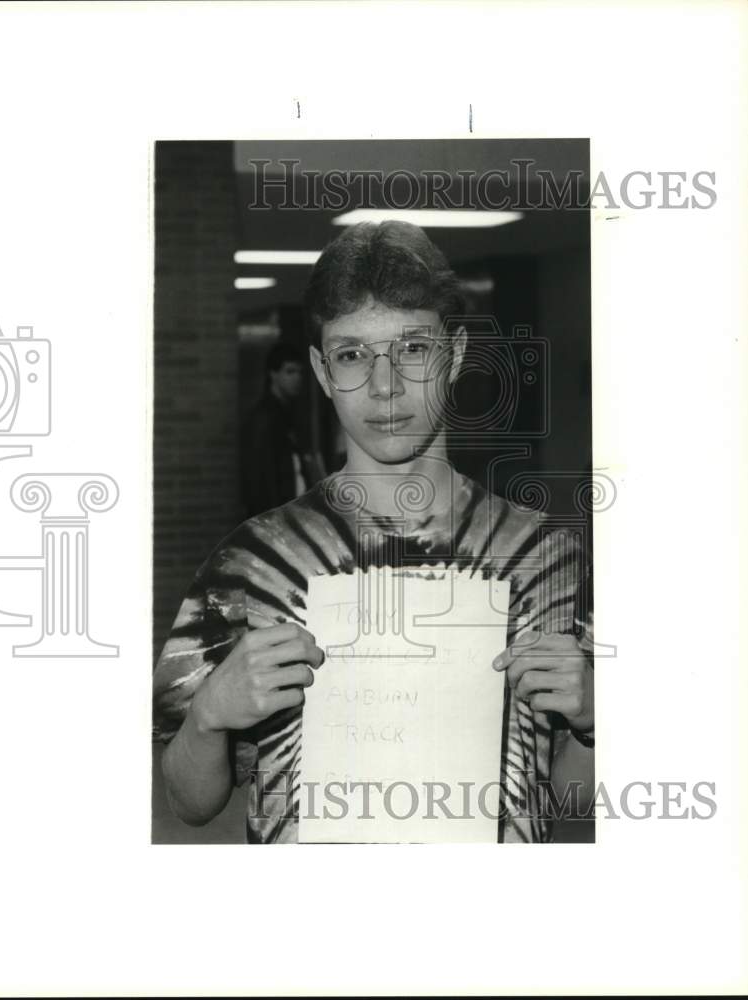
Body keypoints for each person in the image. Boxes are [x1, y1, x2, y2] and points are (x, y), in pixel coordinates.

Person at [153, 220, 594, 843]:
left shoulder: (546, 558)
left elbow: (572, 798)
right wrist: (207, 720)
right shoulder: (250, 564)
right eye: (353, 354)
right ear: (322, 370)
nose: (384, 387)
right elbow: (189, 803)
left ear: (458, 353)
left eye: (413, 348)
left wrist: (593, 719)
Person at [240, 340, 319, 517]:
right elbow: (260, 480)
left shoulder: (286, 414)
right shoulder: (265, 419)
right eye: (290, 371)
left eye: (300, 372)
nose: (297, 378)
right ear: (273, 374)